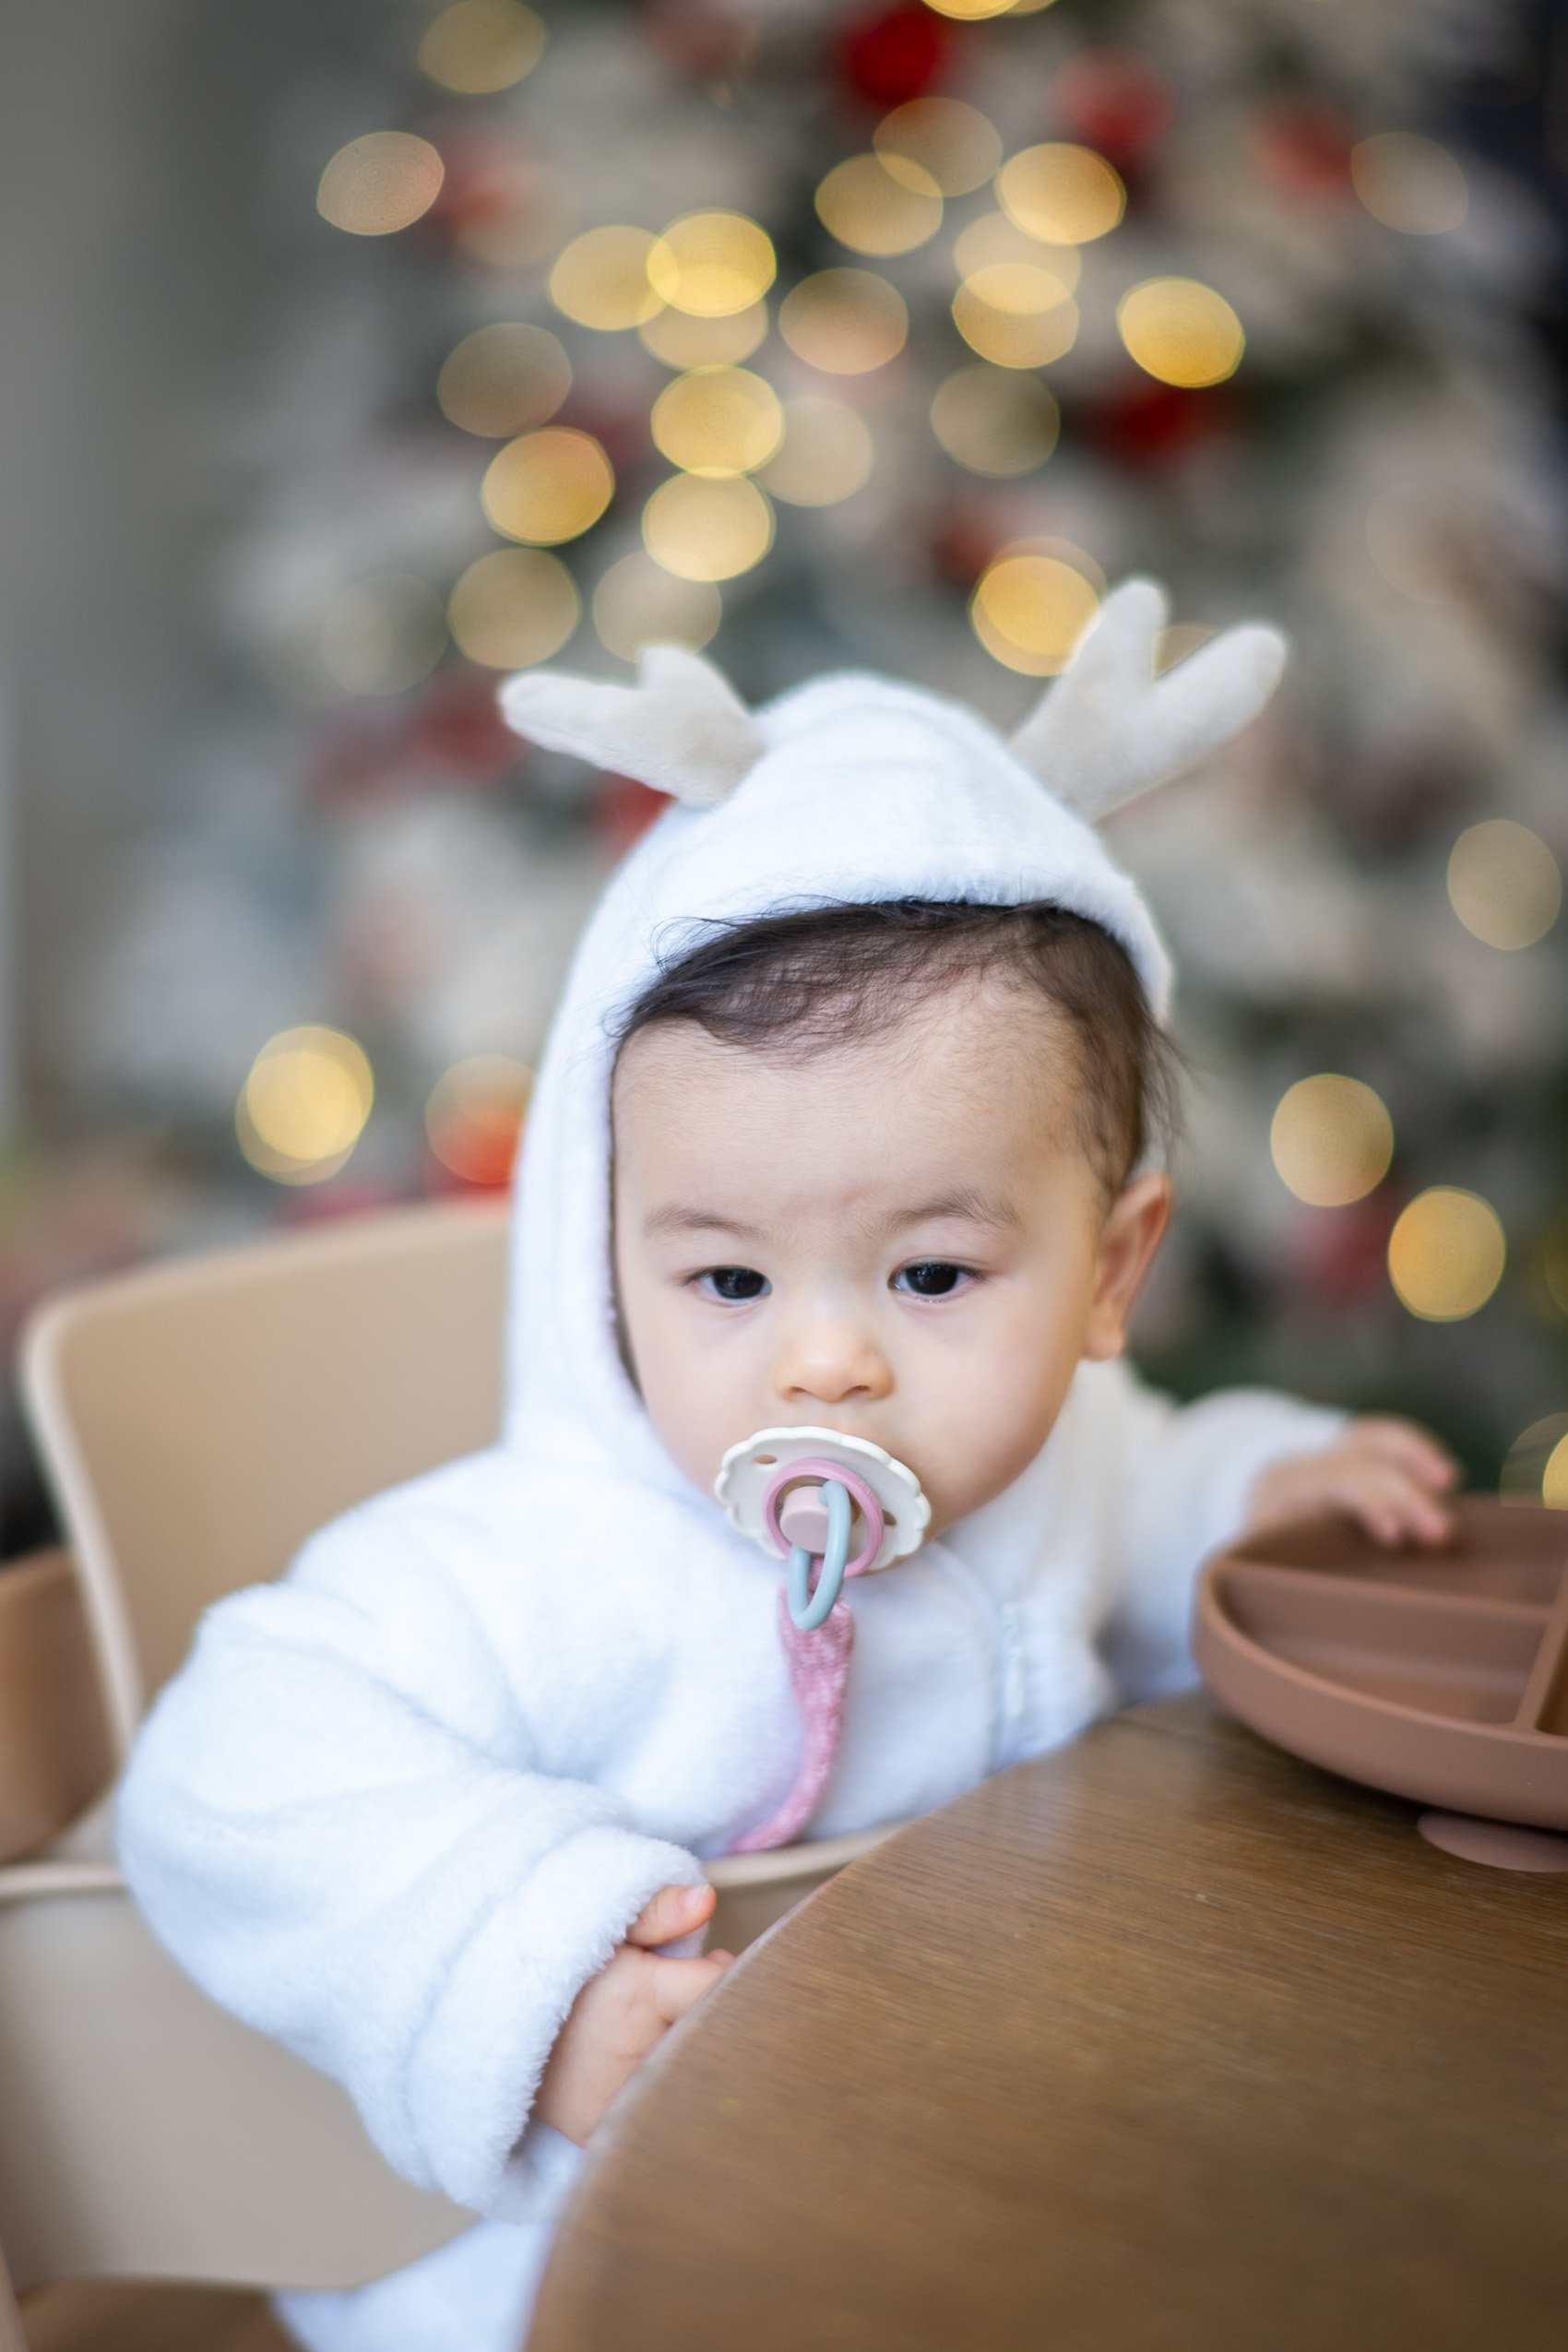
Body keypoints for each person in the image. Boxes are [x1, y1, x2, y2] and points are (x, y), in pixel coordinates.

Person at [115, 580, 1455, 2352]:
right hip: (568, 2264)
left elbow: (1156, 1493)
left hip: (948, 2183)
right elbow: (224, 1768)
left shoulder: (1057, 1474)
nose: (826, 1357)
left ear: (1114, 1271)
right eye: (729, 1277)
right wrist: (537, 1958)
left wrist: (1267, 1491)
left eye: (931, 1273)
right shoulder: (551, 1560)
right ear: (607, 1255)